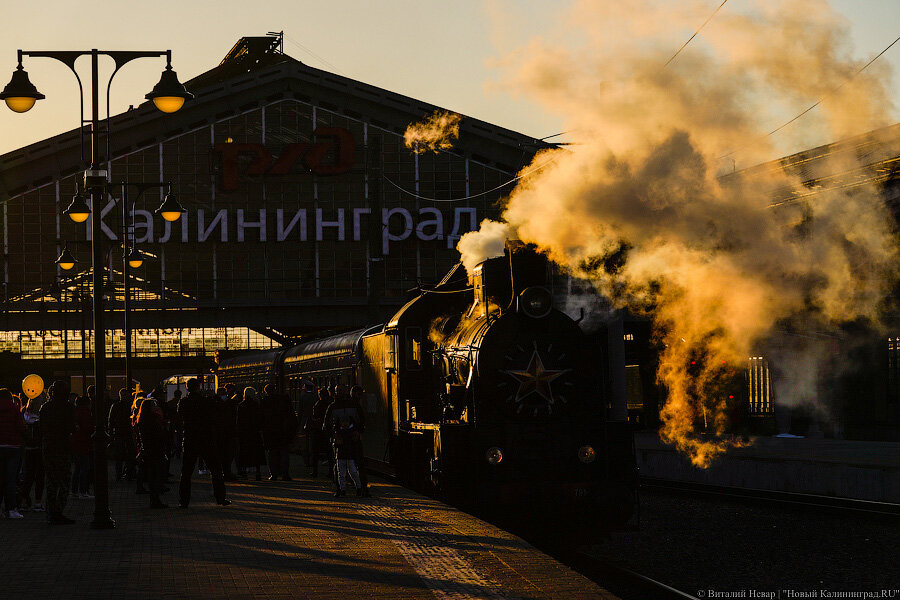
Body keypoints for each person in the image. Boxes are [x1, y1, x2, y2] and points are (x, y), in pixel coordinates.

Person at [178, 378, 229, 508]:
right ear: (198, 387)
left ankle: (184, 501)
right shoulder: (206, 401)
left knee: (186, 472)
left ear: (187, 388)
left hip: (190, 438)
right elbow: (220, 410)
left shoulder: (184, 402)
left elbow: (179, 417)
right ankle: (220, 497)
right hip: (206, 438)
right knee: (216, 469)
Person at [40, 381, 77, 524]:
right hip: (62, 446)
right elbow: (72, 428)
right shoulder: (68, 407)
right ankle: (58, 511)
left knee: (51, 481)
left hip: (49, 446)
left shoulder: (46, 407)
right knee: (64, 481)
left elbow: (41, 428)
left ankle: (51, 511)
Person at [323, 384, 369, 496]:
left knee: (355, 465)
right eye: (338, 391)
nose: (340, 393)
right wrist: (334, 436)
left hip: (353, 439)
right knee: (340, 466)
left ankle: (361, 489)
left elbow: (362, 421)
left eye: (341, 390)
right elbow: (326, 425)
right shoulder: (333, 407)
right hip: (340, 442)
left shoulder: (349, 406)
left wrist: (358, 431)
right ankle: (341, 489)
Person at [136, 394, 168, 508]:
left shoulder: (142, 420)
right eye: (154, 405)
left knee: (152, 474)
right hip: (155, 450)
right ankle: (155, 499)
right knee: (156, 474)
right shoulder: (152, 420)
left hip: (149, 450)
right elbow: (157, 435)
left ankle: (154, 498)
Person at [260, 384, 298, 481]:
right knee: (284, 453)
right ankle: (285, 474)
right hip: (283, 432)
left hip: (270, 432)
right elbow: (290, 415)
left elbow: (262, 418)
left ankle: (273, 474)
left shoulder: (264, 402)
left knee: (272, 454)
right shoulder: (284, 399)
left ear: (266, 392)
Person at [0, 388, 25, 518]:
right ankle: (11, 509)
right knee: (11, 480)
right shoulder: (15, 409)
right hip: (13, 447)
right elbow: (21, 427)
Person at [18, 393, 45, 512]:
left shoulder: (24, 414)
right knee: (40, 476)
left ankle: (24, 501)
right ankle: (38, 502)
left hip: (27, 448)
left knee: (28, 476)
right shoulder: (42, 415)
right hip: (39, 448)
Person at [236, 387, 265, 481]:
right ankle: (258, 472)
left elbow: (238, 420)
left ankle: (244, 472)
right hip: (254, 432)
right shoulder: (256, 405)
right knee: (256, 453)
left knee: (244, 452)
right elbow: (260, 418)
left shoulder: (241, 405)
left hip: (244, 433)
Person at [70, 393, 94, 499]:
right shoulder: (86, 412)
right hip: (83, 442)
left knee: (77, 468)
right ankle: (83, 491)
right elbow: (87, 427)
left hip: (75, 442)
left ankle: (74, 490)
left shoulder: (75, 412)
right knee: (85, 468)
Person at [108, 388, 135, 482]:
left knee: (122, 455)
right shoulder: (128, 406)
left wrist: (111, 432)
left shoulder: (116, 406)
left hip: (122, 432)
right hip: (122, 432)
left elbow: (111, 420)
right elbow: (111, 421)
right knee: (124, 454)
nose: (124, 397)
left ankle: (122, 474)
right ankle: (124, 474)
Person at [332, 417, 363, 497]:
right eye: (343, 421)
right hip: (348, 455)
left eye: (346, 421)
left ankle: (343, 490)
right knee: (351, 472)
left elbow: (335, 444)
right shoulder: (352, 432)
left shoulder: (338, 432)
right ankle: (358, 488)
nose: (345, 423)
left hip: (343, 455)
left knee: (343, 473)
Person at [305, 387, 330, 478]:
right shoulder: (331, 404)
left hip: (318, 431)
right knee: (329, 452)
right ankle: (331, 471)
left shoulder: (318, 404)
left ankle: (315, 471)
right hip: (327, 431)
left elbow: (314, 416)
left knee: (315, 452)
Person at [214, 387, 238, 481]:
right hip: (228, 432)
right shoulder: (231, 403)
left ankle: (223, 472)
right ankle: (226, 472)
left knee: (223, 454)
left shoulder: (215, 404)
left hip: (220, 433)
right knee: (228, 454)